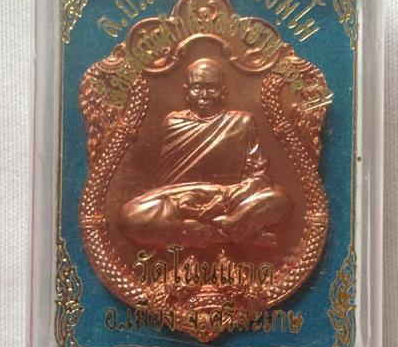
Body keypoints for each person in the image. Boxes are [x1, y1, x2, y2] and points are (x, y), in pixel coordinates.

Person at [119, 58, 292, 249]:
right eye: (197, 87)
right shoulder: (173, 122)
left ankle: (215, 228)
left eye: (211, 88)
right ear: (186, 92)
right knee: (129, 216)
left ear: (223, 92)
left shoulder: (242, 122)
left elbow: (259, 177)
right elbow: (155, 178)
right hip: (177, 200)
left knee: (280, 200)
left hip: (227, 198)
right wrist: (183, 204)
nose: (204, 95)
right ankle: (230, 233)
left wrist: (226, 200)